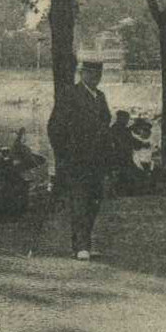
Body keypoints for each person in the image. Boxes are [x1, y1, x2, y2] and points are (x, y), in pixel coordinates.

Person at [46, 58, 116, 261]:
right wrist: (63, 154)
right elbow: (55, 127)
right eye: (91, 73)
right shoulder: (70, 94)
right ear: (82, 73)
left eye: (98, 74)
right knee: (79, 200)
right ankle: (80, 245)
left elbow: (105, 127)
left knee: (94, 200)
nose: (95, 78)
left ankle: (84, 242)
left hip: (97, 159)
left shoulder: (100, 97)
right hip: (76, 158)